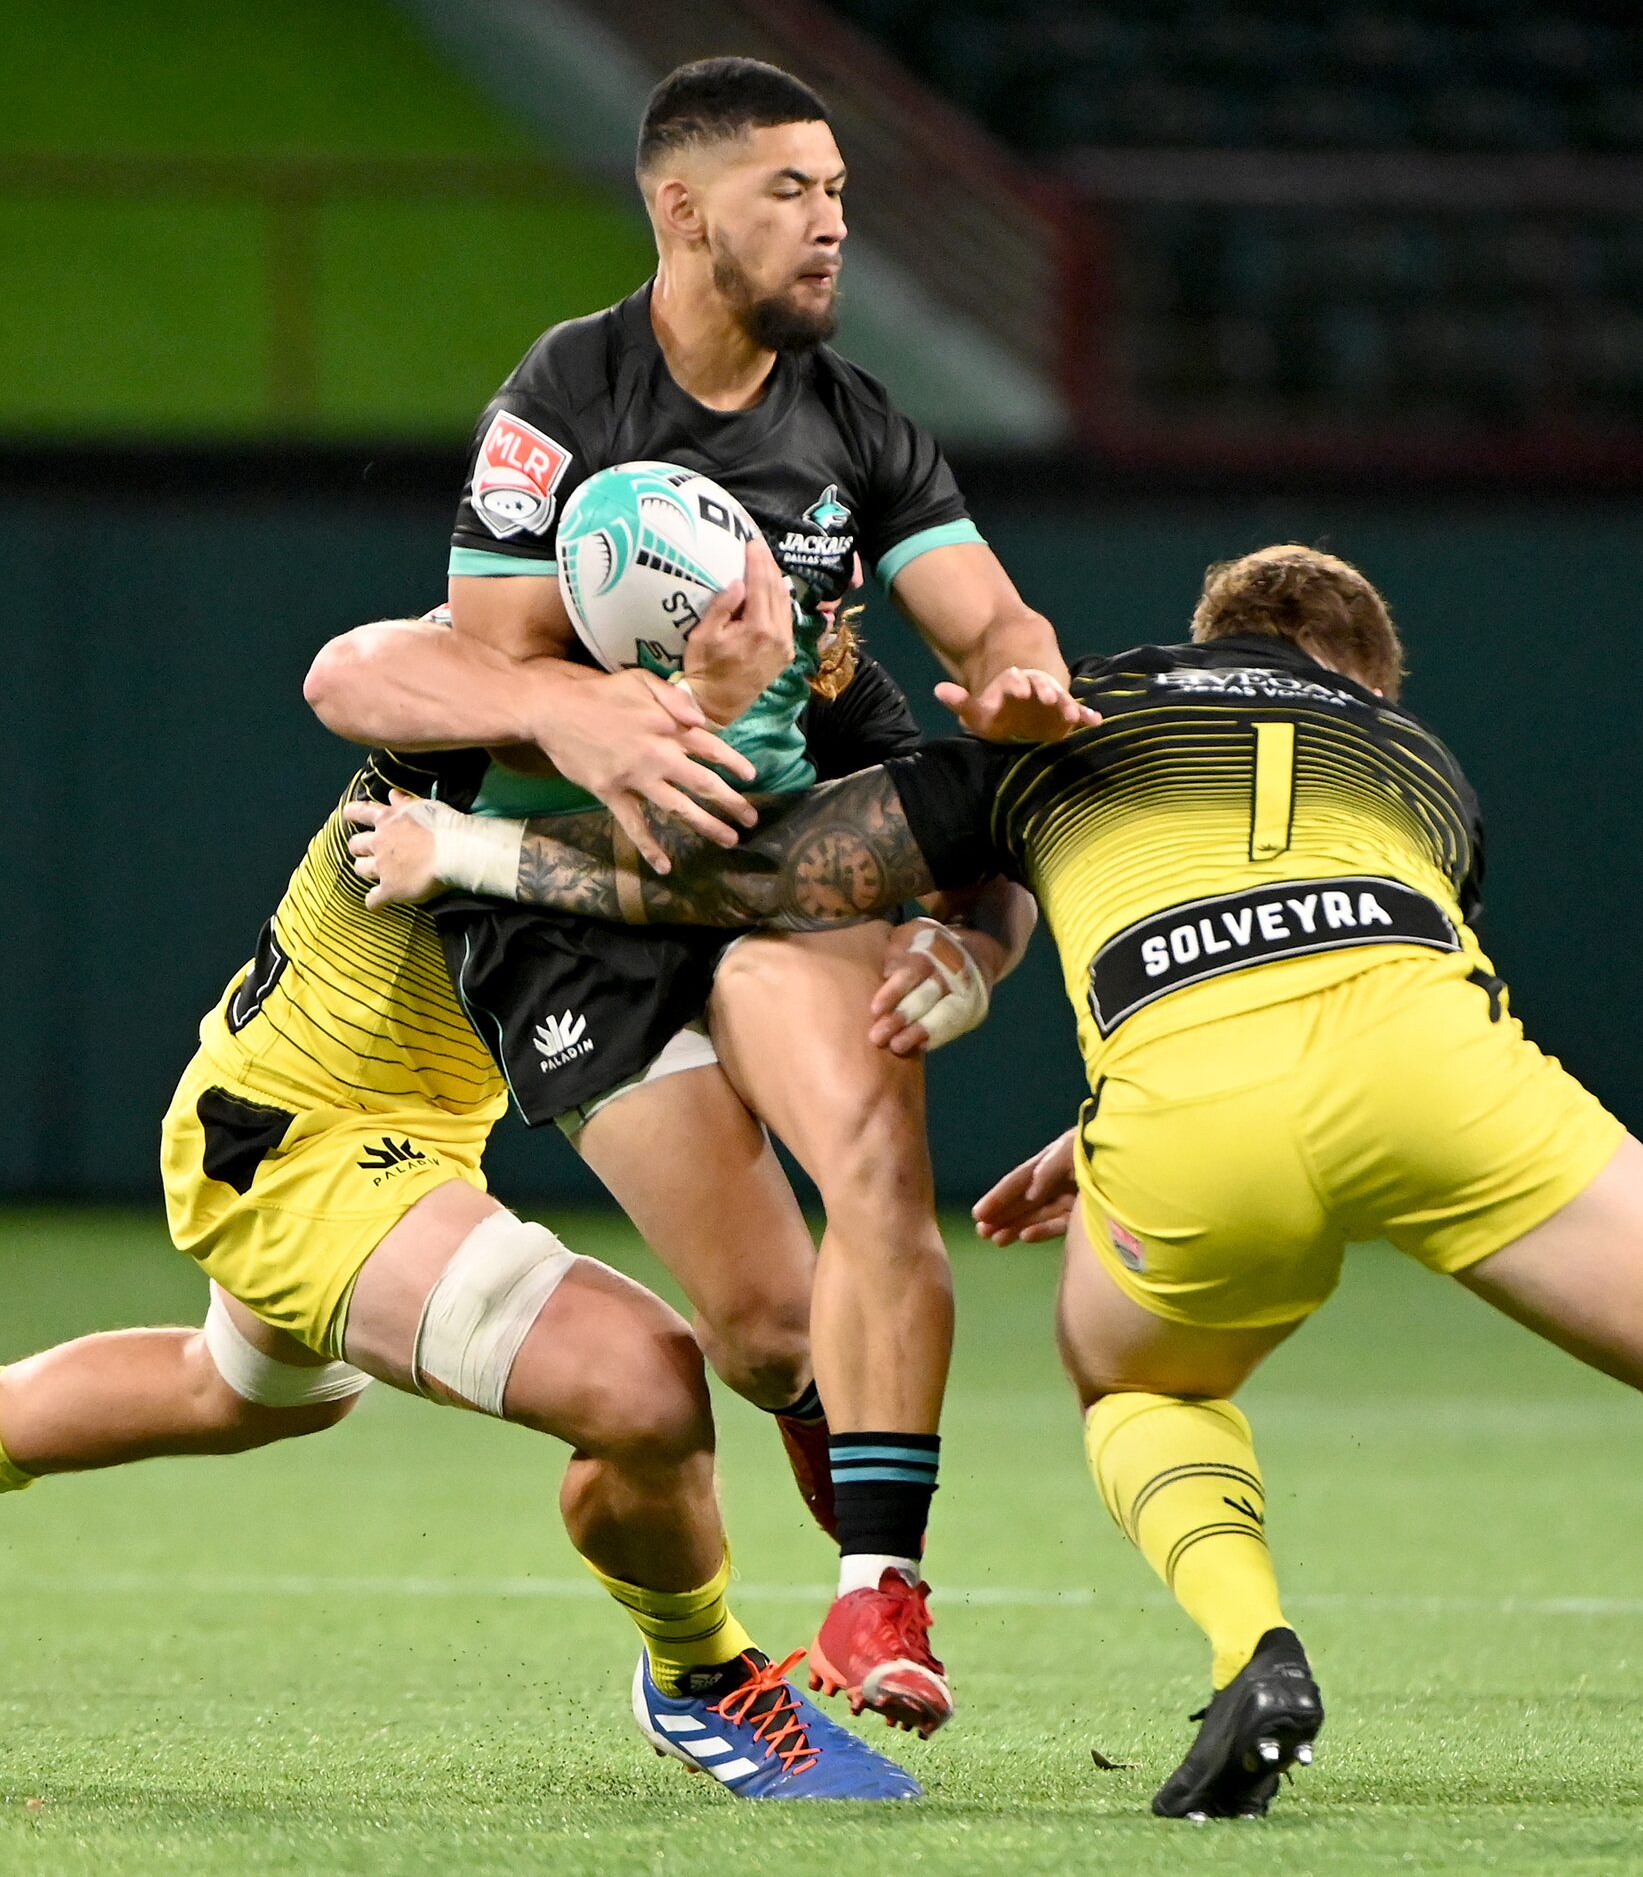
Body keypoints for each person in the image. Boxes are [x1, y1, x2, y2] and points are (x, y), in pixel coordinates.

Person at [348, 543, 1634, 1819]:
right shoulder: (1414, 760)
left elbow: (771, 869)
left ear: (1208, 634)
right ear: (1361, 677)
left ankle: (1253, 1649)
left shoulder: (1077, 709)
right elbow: (1341, 970)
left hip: (1191, 1108)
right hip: (1439, 1069)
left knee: (1145, 1384)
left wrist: (468, 853)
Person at [304, 52, 1079, 1736]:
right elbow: (454, 663)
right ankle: (814, 1408)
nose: (827, 226)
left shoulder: (857, 420)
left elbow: (992, 632)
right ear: (680, 207)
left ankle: (881, 1580)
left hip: (769, 865)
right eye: (788, 192)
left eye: (840, 196)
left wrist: (1015, 694)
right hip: (568, 904)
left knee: (875, 1155)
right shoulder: (568, 398)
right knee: (754, 1323)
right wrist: (582, 708)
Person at [0, 700, 924, 1803]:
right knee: (642, 1387)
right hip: (302, 1145)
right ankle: (700, 1676)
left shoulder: (698, 680)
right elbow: (360, 669)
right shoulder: (495, 690)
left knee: (240, 1392)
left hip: (374, 1124)